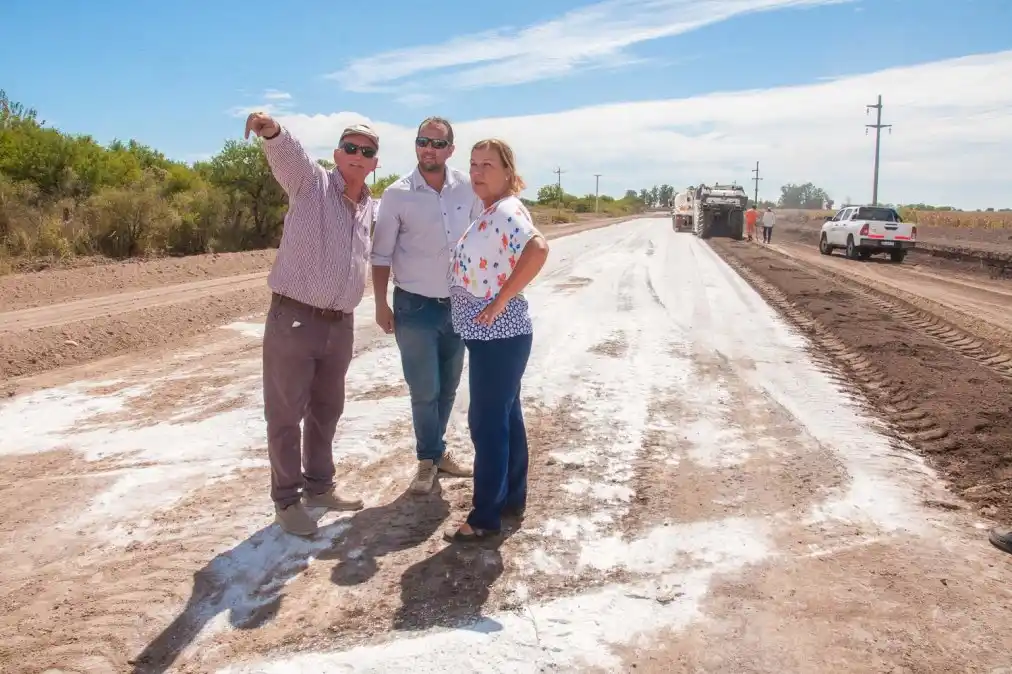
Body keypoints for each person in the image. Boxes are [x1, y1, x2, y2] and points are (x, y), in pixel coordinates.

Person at [245, 111, 379, 537]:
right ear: (338, 153)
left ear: (375, 161)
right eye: (351, 148)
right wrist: (271, 130)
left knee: (327, 409)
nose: (358, 155)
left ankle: (319, 487)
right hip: (295, 318)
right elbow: (289, 155)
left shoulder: (369, 208)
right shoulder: (312, 184)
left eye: (368, 151)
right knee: (285, 412)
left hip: (341, 324)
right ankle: (286, 500)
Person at [443, 139, 550, 543]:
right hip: (493, 336)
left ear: (508, 171)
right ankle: (510, 499)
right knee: (506, 417)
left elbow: (538, 250)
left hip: (499, 335)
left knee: (486, 422)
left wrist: (501, 300)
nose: (477, 171)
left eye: (488, 164)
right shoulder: (491, 211)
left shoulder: (506, 210)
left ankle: (485, 516)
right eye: (473, 164)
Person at [371, 117, 482, 494]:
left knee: (449, 387)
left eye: (437, 143)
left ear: (451, 149)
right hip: (414, 307)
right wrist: (380, 304)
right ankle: (426, 459)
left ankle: (437, 454)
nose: (428, 149)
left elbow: (480, 240)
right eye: (422, 142)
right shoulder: (396, 194)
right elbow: (381, 254)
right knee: (424, 389)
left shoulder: (468, 188)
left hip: (460, 305)